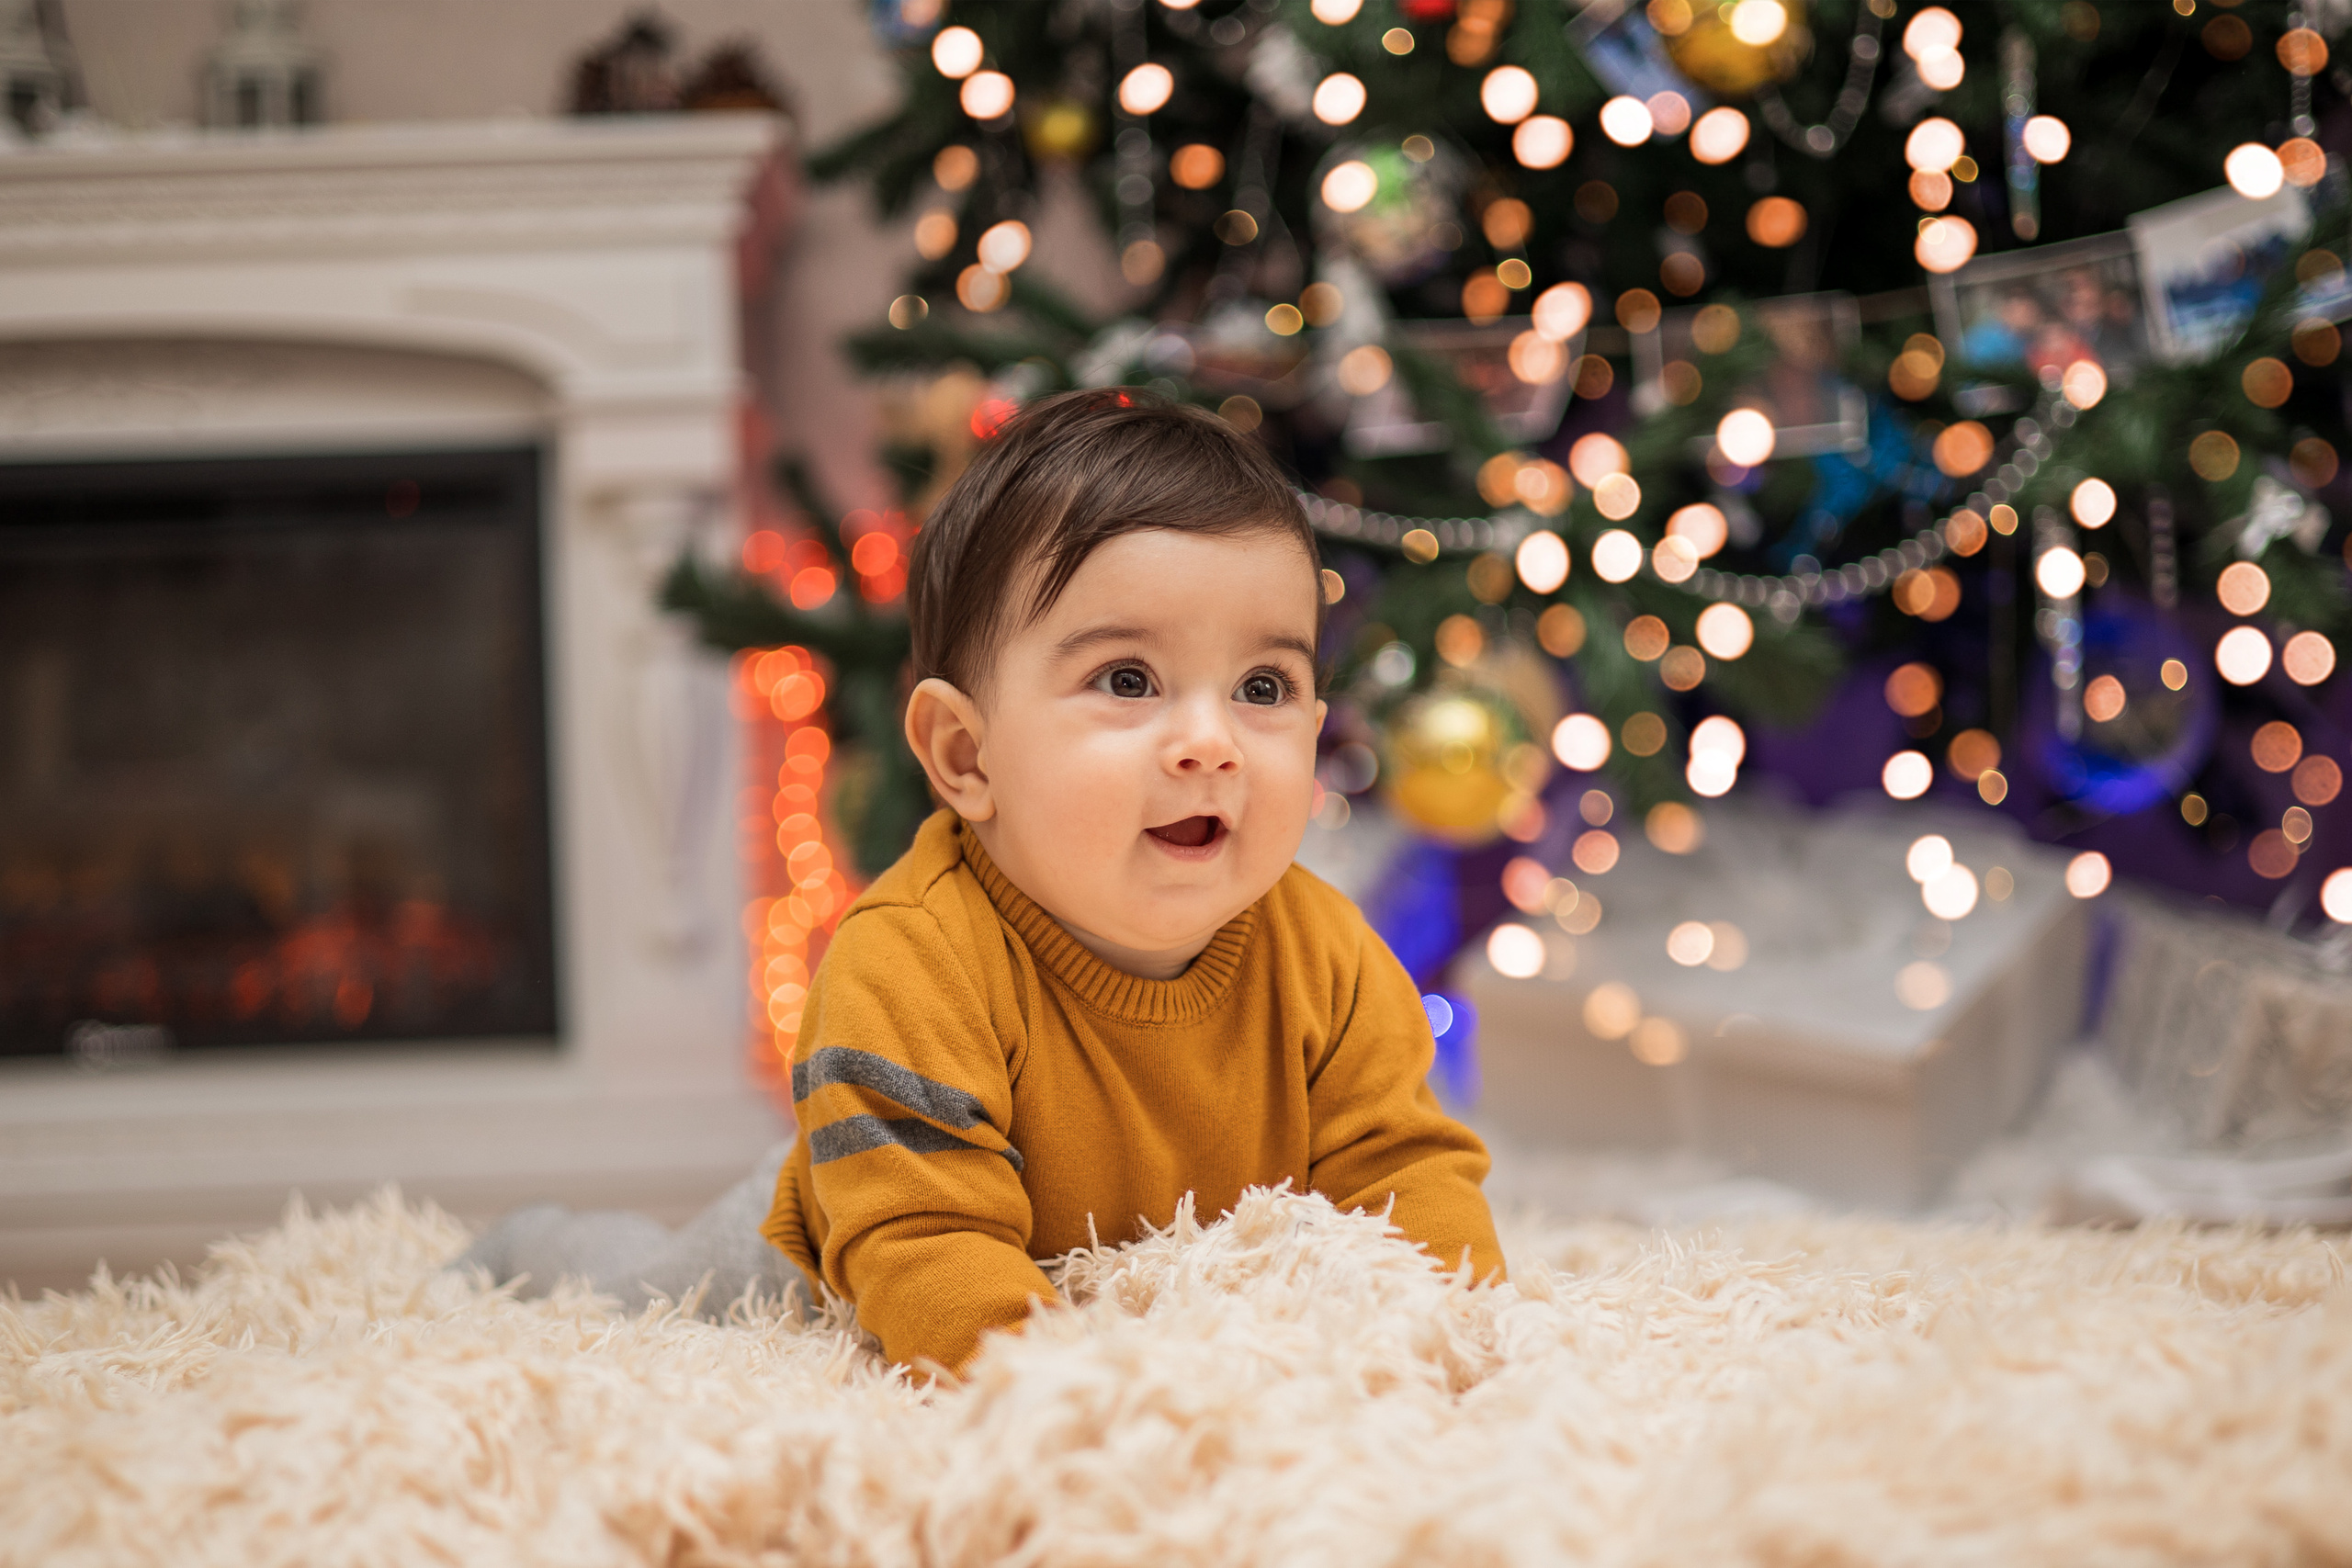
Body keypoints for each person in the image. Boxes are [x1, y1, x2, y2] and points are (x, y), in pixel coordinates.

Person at [460, 389, 1505, 1377]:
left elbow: (1405, 1166)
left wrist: (1446, 1329)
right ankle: (536, 1242)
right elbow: (927, 1249)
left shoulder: (1328, 953)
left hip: (1103, 1276)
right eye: (1128, 679)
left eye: (1263, 686)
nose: (1210, 740)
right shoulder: (910, 961)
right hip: (839, 1247)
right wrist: (1059, 1397)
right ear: (966, 755)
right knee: (630, 1286)